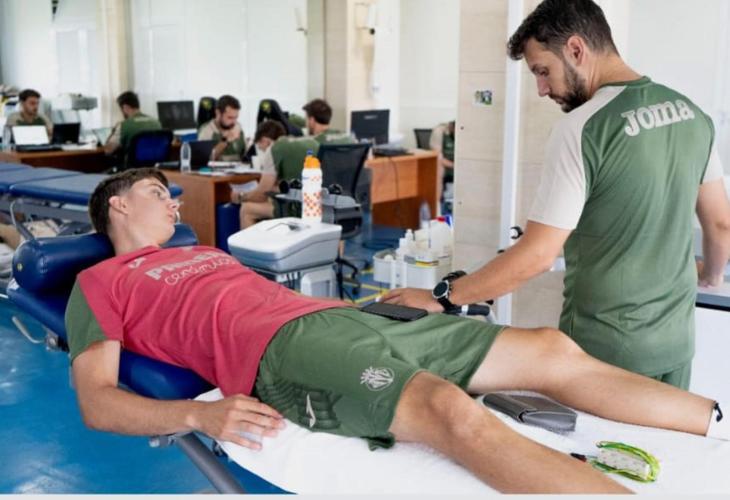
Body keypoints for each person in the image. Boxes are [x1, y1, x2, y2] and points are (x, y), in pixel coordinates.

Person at [66, 168, 729, 494]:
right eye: (158, 192)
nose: (173, 201)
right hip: (285, 353)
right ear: (118, 203)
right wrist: (198, 414)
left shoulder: (204, 250)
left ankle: (718, 429)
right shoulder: (100, 282)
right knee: (447, 408)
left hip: (346, 319)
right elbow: (96, 402)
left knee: (551, 349)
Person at [382, 0, 730, 390]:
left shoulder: (582, 128)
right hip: (676, 342)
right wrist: (711, 276)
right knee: (667, 432)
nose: (542, 89)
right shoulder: (692, 115)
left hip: (607, 349)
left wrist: (442, 297)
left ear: (576, 49)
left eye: (542, 71)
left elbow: (537, 255)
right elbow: (721, 225)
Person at [234, 99, 353, 229]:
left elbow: (262, 193)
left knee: (247, 209)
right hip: (341, 205)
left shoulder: (283, 147)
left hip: (307, 209)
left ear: (311, 120)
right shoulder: (348, 139)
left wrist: (240, 196)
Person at [232, 120, 287, 228]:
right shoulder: (291, 145)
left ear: (265, 140)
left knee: (246, 209)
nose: (262, 151)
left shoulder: (273, 150)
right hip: (310, 204)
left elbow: (261, 195)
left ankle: (248, 241)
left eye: (261, 148)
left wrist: (239, 196)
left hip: (293, 208)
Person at [104, 91, 162, 167]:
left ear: (125, 107)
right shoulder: (157, 122)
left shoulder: (124, 125)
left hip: (132, 170)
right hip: (154, 168)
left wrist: (114, 130)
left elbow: (108, 150)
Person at [198, 95, 247, 162]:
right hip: (218, 168)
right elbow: (205, 159)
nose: (234, 122)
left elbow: (245, 155)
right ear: (218, 113)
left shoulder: (237, 126)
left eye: (236, 117)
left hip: (239, 167)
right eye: (230, 117)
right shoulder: (206, 130)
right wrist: (226, 140)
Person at [429, 120, 456, 205]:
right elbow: (438, 157)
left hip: (458, 164)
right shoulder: (439, 131)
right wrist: (454, 165)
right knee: (438, 167)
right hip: (445, 164)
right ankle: (437, 205)